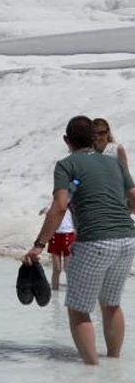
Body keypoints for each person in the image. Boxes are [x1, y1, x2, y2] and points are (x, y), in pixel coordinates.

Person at [25, 116, 135, 366]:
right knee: (111, 304)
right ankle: (114, 366)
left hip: (94, 243)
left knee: (78, 308)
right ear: (94, 138)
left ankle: (91, 370)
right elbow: (133, 200)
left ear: (67, 140)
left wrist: (39, 245)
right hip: (127, 239)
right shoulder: (114, 163)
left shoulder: (66, 165)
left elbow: (59, 207)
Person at [41, 201, 76, 291]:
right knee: (57, 268)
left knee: (68, 268)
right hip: (55, 238)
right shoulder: (55, 206)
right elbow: (46, 213)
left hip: (69, 237)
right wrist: (46, 211)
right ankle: (55, 292)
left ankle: (72, 290)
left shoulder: (73, 208)